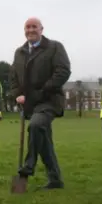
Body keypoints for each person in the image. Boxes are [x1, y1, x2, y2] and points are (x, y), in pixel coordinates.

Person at [9, 17, 71, 189]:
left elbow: (63, 71)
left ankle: (29, 165)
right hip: (30, 104)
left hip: (49, 100)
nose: (31, 30)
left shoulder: (54, 47)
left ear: (41, 29)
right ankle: (55, 179)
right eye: (27, 27)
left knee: (36, 126)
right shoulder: (19, 52)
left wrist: (43, 90)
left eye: (34, 27)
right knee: (43, 140)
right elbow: (13, 77)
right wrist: (17, 94)